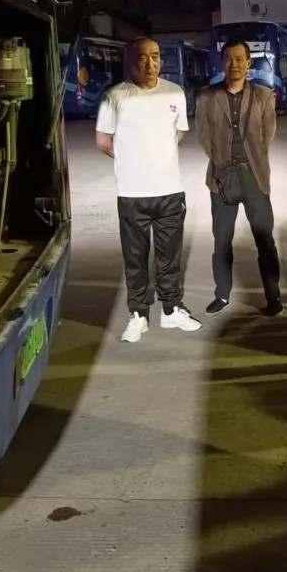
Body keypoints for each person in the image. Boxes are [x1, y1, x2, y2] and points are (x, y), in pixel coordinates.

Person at [96, 37, 202, 343]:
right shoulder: (115, 96)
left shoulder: (175, 92)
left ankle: (171, 310)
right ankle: (138, 315)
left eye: (155, 56)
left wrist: (157, 158)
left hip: (170, 191)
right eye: (143, 57)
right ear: (131, 61)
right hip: (132, 194)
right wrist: (133, 161)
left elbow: (179, 133)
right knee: (135, 258)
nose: (150, 62)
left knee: (170, 257)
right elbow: (103, 141)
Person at [196, 41, 282, 318]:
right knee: (221, 241)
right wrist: (222, 164)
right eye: (229, 59)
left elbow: (267, 134)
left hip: (255, 177)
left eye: (239, 59)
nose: (234, 65)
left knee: (265, 240)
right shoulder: (207, 96)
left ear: (248, 64)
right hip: (222, 178)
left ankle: (273, 296)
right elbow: (204, 136)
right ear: (222, 62)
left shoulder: (263, 95)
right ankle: (222, 294)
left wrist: (252, 159)